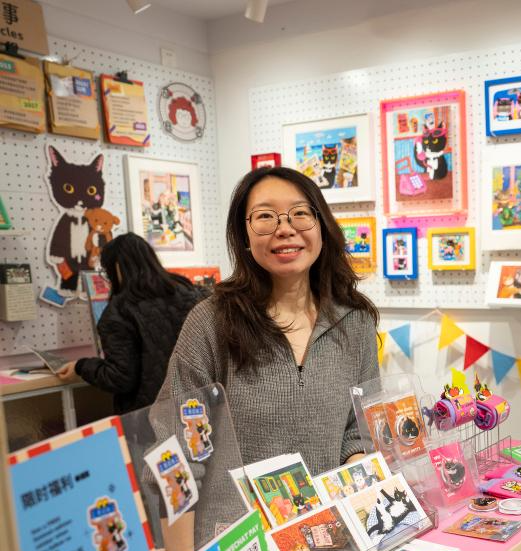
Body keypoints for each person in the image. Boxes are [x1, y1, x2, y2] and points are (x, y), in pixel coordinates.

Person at [157, 166, 380, 477]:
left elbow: (361, 428)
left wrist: (359, 475)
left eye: (300, 213)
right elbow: (177, 448)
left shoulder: (355, 321)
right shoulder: (212, 321)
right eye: (265, 216)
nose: (285, 228)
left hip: (328, 522)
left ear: (321, 226)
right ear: (244, 236)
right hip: (238, 525)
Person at [56, 234, 205, 414]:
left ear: (116, 268)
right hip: (198, 408)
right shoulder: (193, 294)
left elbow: (119, 377)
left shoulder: (120, 311)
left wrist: (81, 366)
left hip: (148, 418)